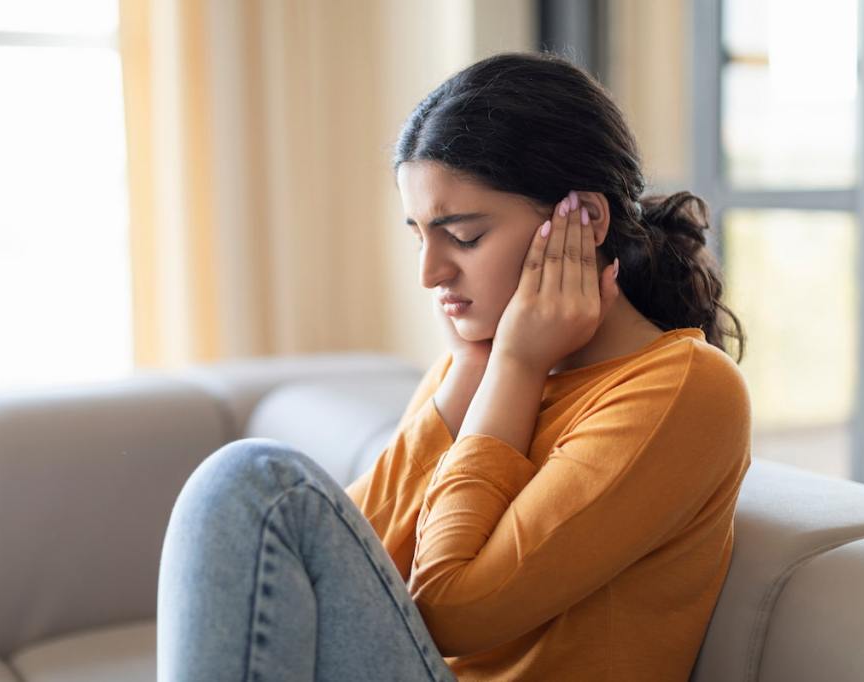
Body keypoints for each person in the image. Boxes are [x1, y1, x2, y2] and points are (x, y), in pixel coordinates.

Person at [157, 51, 751, 681]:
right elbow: (367, 560)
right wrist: (475, 377)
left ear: (586, 218)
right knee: (248, 483)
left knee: (253, 480)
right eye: (419, 235)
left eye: (463, 236)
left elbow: (448, 611)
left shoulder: (683, 388)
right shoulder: (476, 368)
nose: (430, 273)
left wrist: (517, 367)